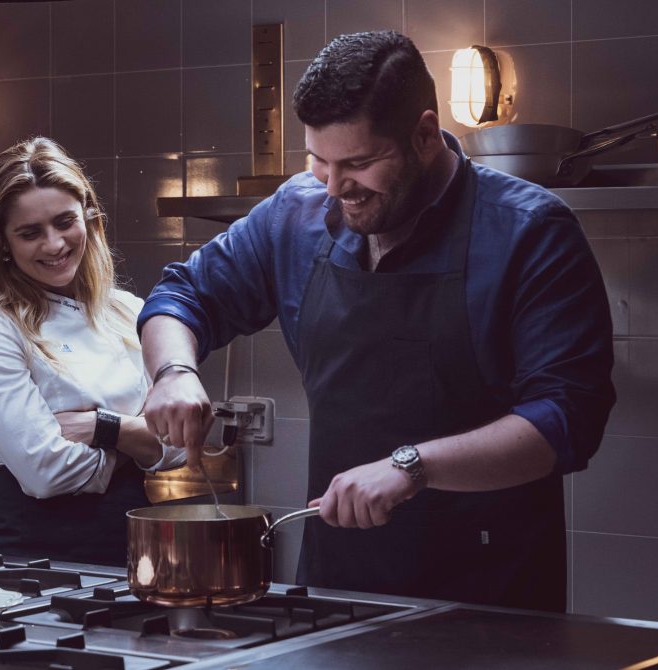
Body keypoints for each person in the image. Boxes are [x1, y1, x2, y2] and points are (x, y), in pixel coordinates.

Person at [137, 32, 614, 611]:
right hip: (339, 578)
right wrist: (174, 371)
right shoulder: (296, 214)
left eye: (359, 163)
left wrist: (411, 467)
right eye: (319, 161)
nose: (336, 189)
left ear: (423, 134)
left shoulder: (529, 231)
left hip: (489, 589)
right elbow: (182, 293)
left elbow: (566, 419)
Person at [0, 137, 186, 564]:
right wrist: (135, 440)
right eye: (30, 233)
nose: (54, 244)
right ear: (3, 241)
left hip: (128, 552)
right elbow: (45, 472)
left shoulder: (130, 313)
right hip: (28, 557)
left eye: (64, 222)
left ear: (90, 217)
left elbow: (178, 446)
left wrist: (100, 427)